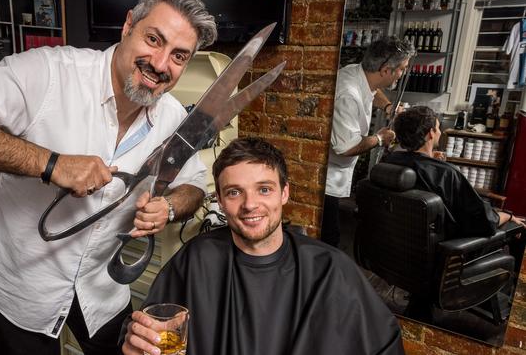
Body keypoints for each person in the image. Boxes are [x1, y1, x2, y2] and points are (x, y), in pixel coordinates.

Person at [0, 0, 217, 354]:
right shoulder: (50, 72)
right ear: (128, 25)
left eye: (178, 56)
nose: (161, 64)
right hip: (15, 291)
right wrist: (50, 164)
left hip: (100, 291)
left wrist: (168, 208)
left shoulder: (172, 117)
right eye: (153, 40)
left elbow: (194, 183)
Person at [121, 137, 405, 355]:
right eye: (234, 192)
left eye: (264, 189)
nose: (250, 205)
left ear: (284, 193)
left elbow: (385, 346)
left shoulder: (330, 269)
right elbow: (149, 328)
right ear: (219, 201)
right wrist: (137, 342)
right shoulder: (197, 259)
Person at [321, 35, 416, 248]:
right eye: (401, 69)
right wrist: (381, 138)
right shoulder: (348, 94)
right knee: (328, 239)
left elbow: (374, 91)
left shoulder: (357, 72)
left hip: (335, 173)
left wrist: (388, 106)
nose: (402, 74)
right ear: (385, 70)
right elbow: (346, 147)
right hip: (326, 176)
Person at [384, 106, 526, 237]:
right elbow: (484, 222)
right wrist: (507, 216)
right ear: (431, 133)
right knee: (514, 227)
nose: (440, 132)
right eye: (438, 128)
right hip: (446, 248)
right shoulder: (446, 173)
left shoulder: (390, 161)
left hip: (399, 243)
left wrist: (431, 160)